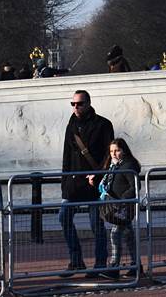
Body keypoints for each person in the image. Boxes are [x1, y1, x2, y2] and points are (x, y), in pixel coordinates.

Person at [60, 90, 114, 271]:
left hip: (93, 184)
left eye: (80, 103)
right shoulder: (70, 125)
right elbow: (66, 156)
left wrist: (98, 175)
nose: (76, 107)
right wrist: (64, 184)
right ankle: (76, 260)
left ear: (89, 103)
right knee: (63, 217)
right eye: (73, 104)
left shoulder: (103, 124)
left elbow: (109, 154)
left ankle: (100, 263)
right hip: (73, 183)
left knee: (96, 224)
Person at [97, 138, 141, 278]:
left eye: (117, 150)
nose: (114, 154)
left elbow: (135, 186)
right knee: (129, 236)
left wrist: (122, 200)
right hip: (117, 205)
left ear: (124, 150)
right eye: (111, 151)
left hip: (124, 207)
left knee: (115, 234)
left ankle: (114, 267)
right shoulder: (115, 165)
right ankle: (137, 266)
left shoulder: (128, 165)